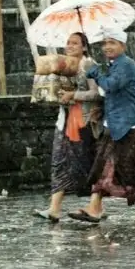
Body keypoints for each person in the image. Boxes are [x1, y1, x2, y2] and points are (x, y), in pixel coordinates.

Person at [70, 28, 135, 224]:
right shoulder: (109, 66)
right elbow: (107, 94)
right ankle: (95, 207)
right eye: (104, 43)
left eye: (112, 43)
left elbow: (111, 86)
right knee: (104, 166)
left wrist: (96, 74)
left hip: (130, 124)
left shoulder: (127, 64)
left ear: (123, 46)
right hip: (112, 124)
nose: (107, 47)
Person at [35, 32, 100, 223]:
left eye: (75, 43)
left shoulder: (88, 65)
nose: (70, 46)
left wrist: (74, 95)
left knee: (86, 163)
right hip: (65, 119)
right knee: (59, 160)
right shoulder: (65, 65)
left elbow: (96, 94)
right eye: (68, 43)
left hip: (84, 121)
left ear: (84, 47)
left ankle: (97, 205)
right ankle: (54, 208)